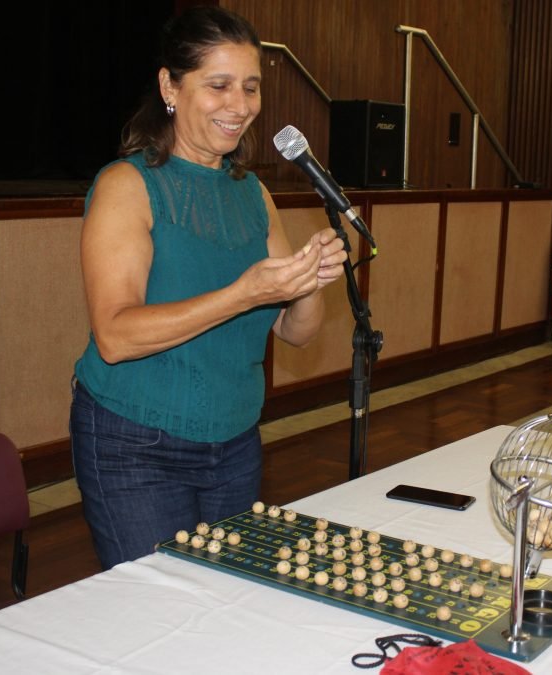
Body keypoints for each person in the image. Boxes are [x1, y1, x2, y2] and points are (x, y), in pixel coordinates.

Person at [70, 6, 347, 570]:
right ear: (170, 86)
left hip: (235, 443)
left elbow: (298, 332)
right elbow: (116, 336)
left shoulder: (253, 194)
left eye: (251, 87)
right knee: (158, 619)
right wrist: (242, 294)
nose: (240, 105)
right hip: (135, 444)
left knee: (226, 608)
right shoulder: (128, 185)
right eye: (218, 85)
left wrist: (307, 282)